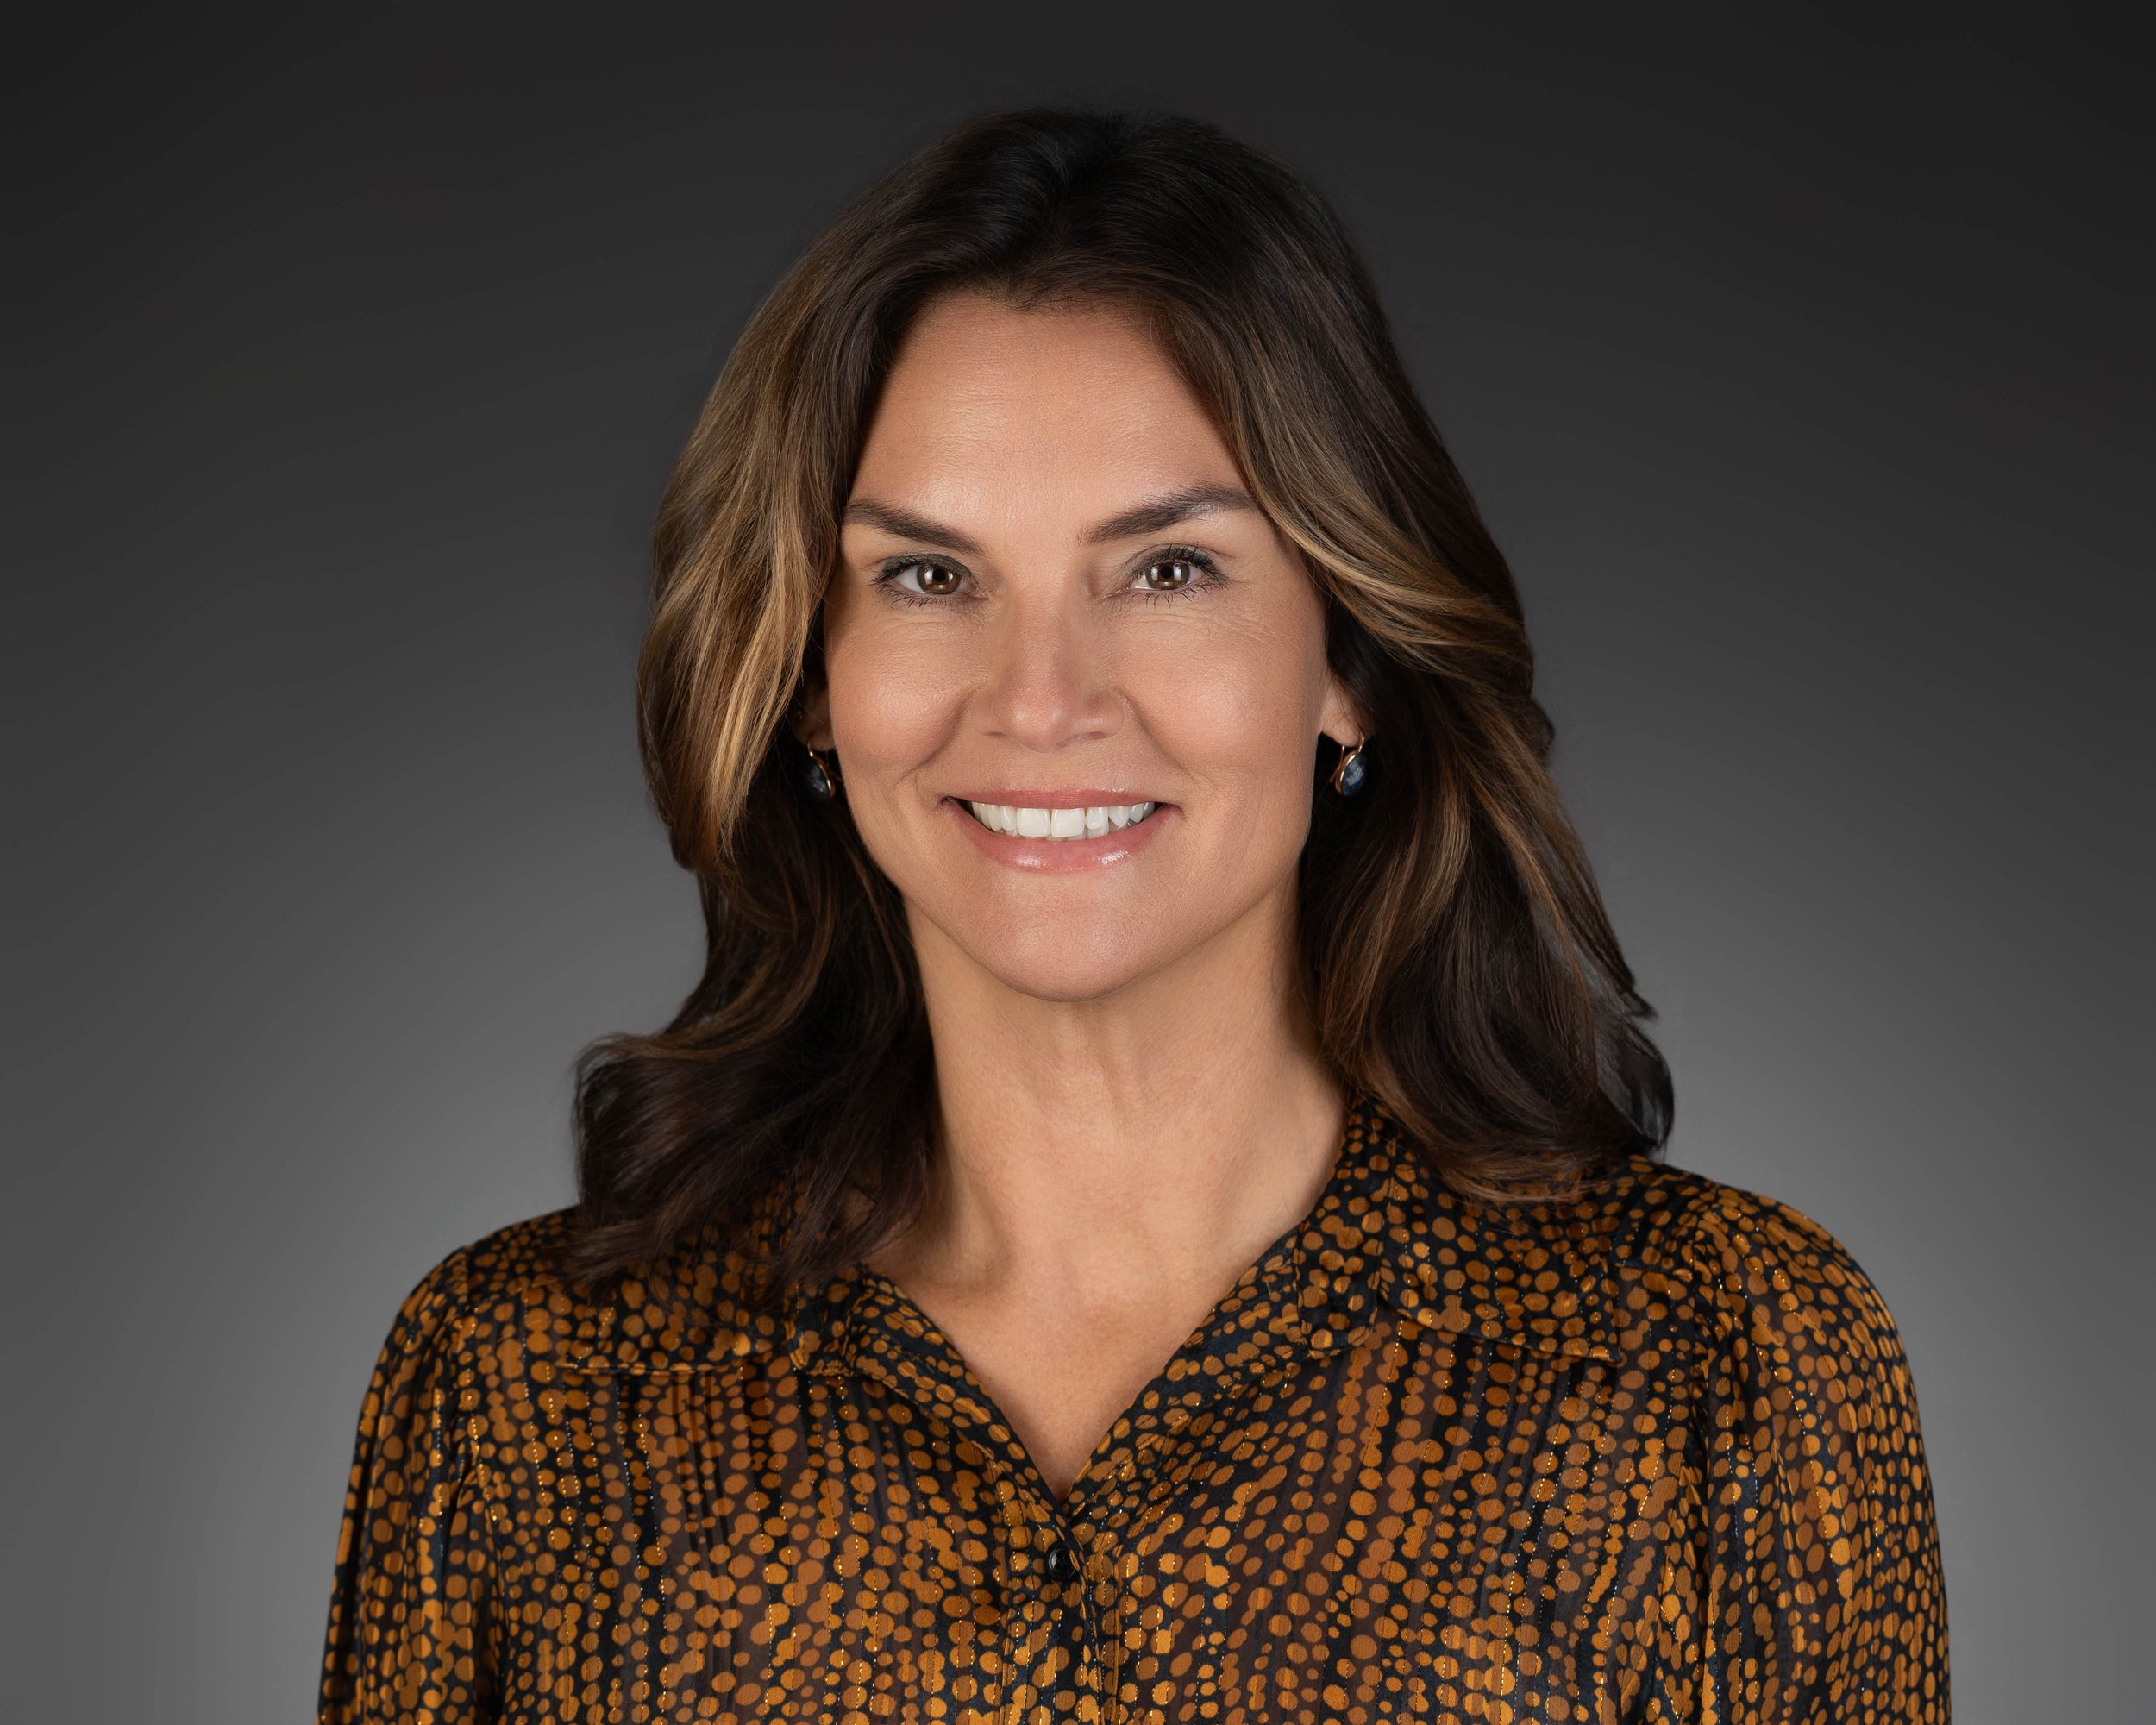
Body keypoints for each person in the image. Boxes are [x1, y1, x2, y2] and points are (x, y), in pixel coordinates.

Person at [319, 108, 1947, 1723]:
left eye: (1167, 571)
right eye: (928, 577)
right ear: (813, 682)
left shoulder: (1722, 1360)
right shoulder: (523, 1390)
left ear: (1349, 661)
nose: (1040, 702)